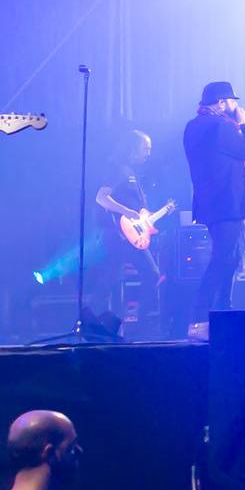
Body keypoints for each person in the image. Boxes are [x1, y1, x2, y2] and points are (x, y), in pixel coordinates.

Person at [181, 81, 245, 337]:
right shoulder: (220, 127)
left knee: (230, 258)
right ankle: (199, 318)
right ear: (222, 103)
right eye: (233, 101)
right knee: (221, 259)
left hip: (210, 204)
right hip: (226, 204)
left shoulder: (193, 127)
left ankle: (223, 311)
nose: (237, 106)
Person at [92, 129, 166, 338]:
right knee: (113, 278)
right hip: (117, 234)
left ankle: (135, 322)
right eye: (146, 148)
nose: (148, 153)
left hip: (131, 235)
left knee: (145, 275)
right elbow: (101, 198)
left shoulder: (132, 173)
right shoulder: (116, 169)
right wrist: (127, 211)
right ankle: (94, 319)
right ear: (132, 148)